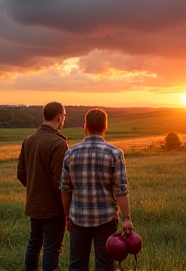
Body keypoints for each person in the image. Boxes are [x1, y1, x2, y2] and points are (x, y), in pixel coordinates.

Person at [60, 108, 133, 271]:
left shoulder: (70, 153)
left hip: (78, 218)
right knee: (105, 264)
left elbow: (65, 189)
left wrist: (67, 215)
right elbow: (121, 190)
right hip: (106, 219)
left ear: (85, 126)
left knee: (77, 265)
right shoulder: (115, 153)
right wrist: (127, 218)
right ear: (105, 127)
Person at [17, 102, 68, 271]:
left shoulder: (29, 139)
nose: (63, 121)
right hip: (53, 207)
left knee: (34, 244)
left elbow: (21, 173)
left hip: (33, 204)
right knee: (52, 248)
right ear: (59, 118)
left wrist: (35, 188)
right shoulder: (58, 143)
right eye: (64, 117)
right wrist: (65, 206)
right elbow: (59, 182)